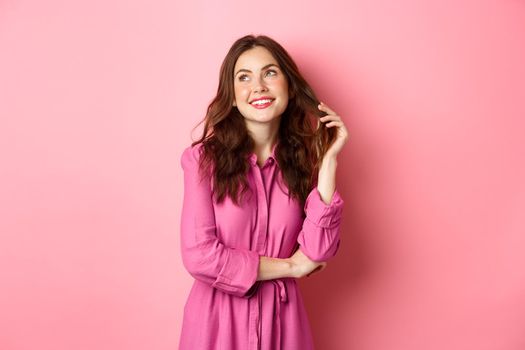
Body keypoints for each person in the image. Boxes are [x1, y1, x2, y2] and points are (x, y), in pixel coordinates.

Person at [179, 34, 349, 350]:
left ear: (288, 85)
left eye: (270, 73)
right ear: (231, 96)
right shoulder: (202, 161)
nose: (258, 86)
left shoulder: (303, 164)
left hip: (284, 326)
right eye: (244, 77)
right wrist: (290, 267)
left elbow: (318, 252)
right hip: (216, 327)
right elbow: (199, 256)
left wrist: (327, 163)